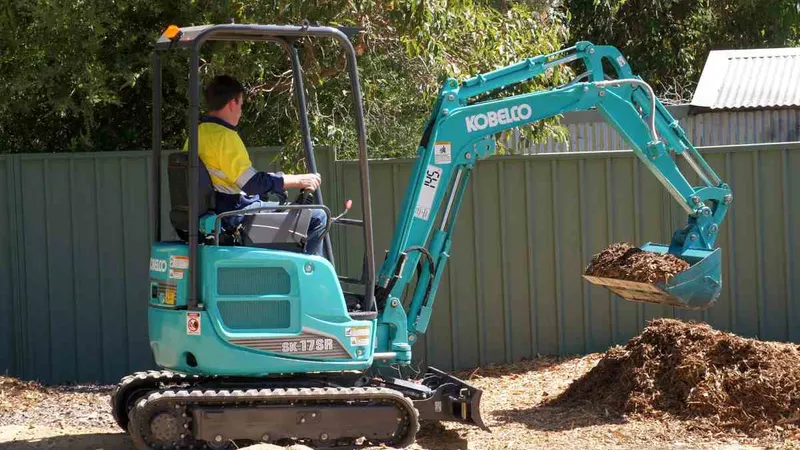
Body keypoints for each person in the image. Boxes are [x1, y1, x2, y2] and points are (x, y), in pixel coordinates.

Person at [184, 75, 327, 256]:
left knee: (284, 205)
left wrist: (276, 182)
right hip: (235, 217)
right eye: (241, 105)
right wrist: (297, 180)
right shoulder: (225, 137)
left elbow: (230, 179)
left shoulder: (196, 135)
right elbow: (251, 184)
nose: (241, 112)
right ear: (232, 103)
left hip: (218, 213)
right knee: (317, 217)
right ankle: (311, 279)